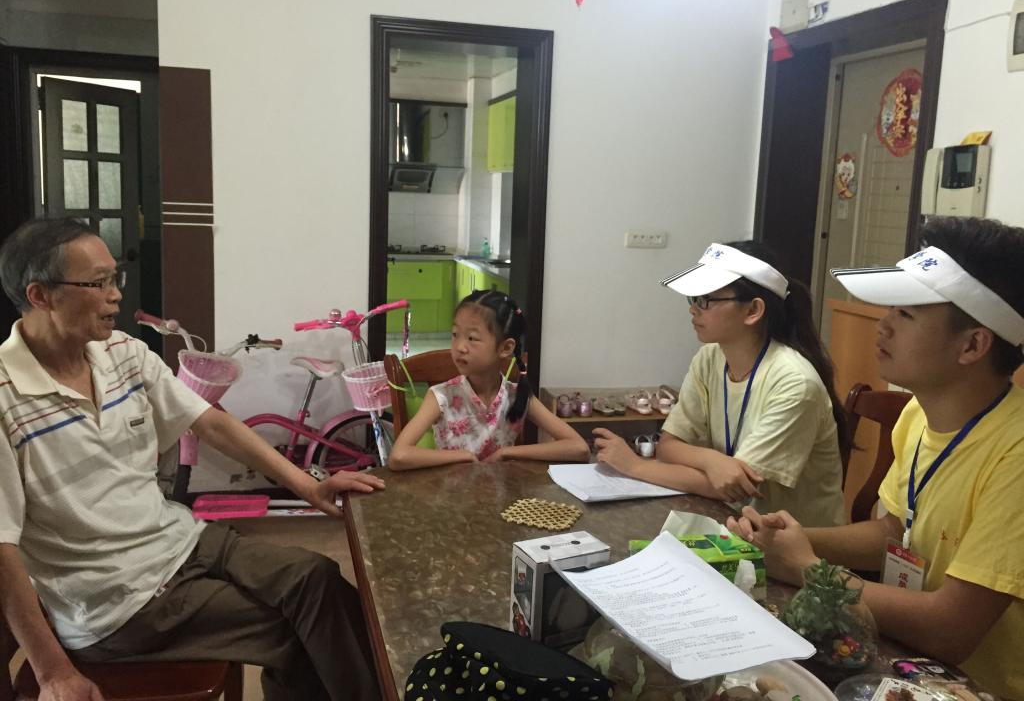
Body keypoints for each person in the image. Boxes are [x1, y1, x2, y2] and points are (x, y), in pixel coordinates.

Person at [0, 218, 383, 701]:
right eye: (98, 283)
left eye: (115, 278)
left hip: (181, 540)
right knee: (302, 631)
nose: (116, 295)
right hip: (120, 604)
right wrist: (53, 672)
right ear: (40, 295)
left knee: (317, 579)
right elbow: (2, 548)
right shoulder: (5, 398)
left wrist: (309, 485)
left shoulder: (122, 352)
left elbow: (210, 422)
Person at [728, 217, 1024, 699]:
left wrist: (809, 569)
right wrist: (788, 540)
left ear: (972, 344)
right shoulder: (917, 414)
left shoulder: (1015, 453)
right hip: (908, 667)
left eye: (906, 314)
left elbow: (952, 627)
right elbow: (893, 531)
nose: (883, 325)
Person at [594, 241, 847, 527]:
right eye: (693, 299)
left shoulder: (795, 383)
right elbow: (669, 446)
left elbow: (735, 485)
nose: (694, 310)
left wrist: (635, 466)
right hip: (731, 522)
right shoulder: (710, 357)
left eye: (706, 300)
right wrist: (712, 461)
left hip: (794, 544)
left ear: (753, 310)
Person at [387, 289, 589, 470]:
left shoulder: (516, 396)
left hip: (502, 496)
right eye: (455, 334)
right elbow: (399, 456)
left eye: (472, 338)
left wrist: (506, 453)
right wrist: (463, 456)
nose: (459, 347)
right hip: (451, 495)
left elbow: (579, 448)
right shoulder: (441, 397)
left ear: (505, 348)